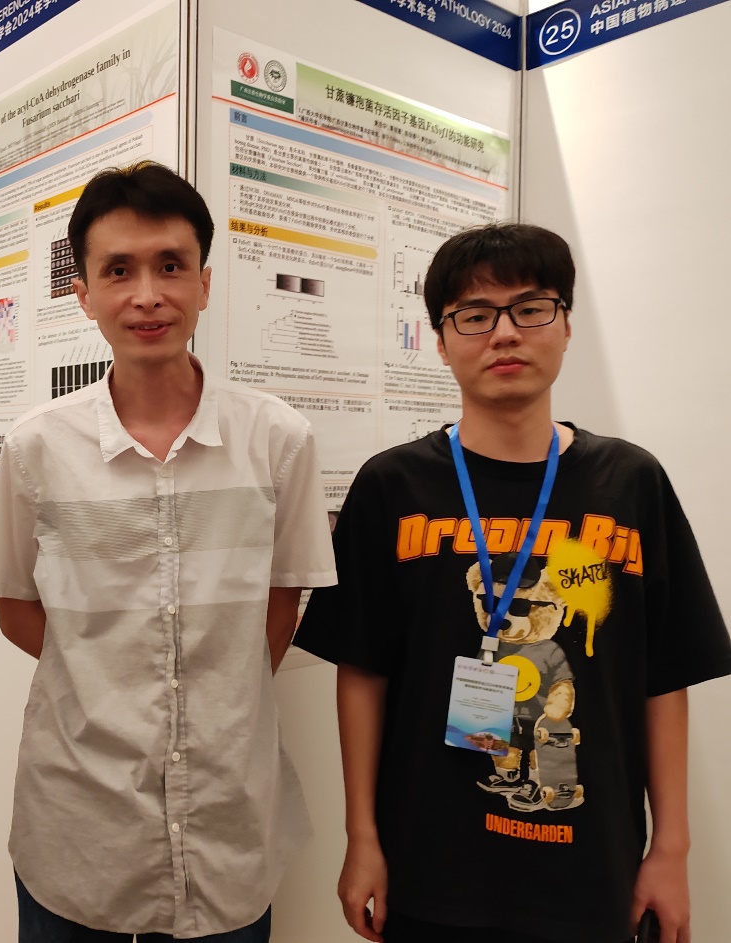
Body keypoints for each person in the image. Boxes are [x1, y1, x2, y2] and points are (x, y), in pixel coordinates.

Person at [294, 223, 731, 943]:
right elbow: (363, 672)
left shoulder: (628, 482)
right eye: (474, 315)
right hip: (430, 867)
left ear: (565, 325)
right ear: (441, 341)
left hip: (593, 869)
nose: (504, 333)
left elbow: (663, 677)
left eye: (530, 308)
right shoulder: (393, 486)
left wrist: (671, 850)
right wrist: (361, 837)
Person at [0, 161, 336, 941]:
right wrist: (108, 681)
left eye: (170, 266)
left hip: (227, 815)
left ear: (204, 283)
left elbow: (281, 603)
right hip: (78, 816)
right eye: (118, 270)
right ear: (83, 294)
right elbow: (16, 607)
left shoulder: (276, 438)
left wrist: (213, 693)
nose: (147, 295)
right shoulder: (36, 446)